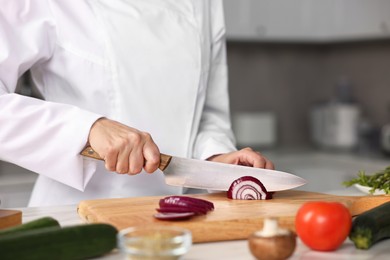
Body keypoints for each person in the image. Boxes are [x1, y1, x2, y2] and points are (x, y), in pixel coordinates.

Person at [0, 0, 274, 207]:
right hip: (78, 217)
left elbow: (206, 113)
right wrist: (88, 130)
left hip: (181, 217)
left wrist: (214, 160)